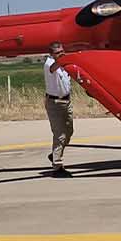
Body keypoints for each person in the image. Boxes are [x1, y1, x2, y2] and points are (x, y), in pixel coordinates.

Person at [41, 42, 75, 173]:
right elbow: (54, 67)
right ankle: (57, 165)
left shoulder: (63, 64)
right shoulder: (49, 64)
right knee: (59, 134)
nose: (61, 54)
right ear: (51, 54)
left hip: (66, 102)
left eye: (62, 51)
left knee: (69, 132)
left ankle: (55, 153)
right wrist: (65, 59)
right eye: (58, 53)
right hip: (54, 103)